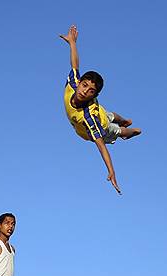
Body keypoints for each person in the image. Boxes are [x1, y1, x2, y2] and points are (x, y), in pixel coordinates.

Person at [59, 25, 142, 195]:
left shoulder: (91, 120)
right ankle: (123, 119)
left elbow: (102, 146)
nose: (84, 91)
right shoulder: (73, 82)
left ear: (93, 96)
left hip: (101, 126)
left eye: (91, 91)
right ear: (80, 82)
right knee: (110, 114)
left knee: (116, 129)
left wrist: (111, 171)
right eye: (84, 85)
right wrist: (72, 43)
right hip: (92, 121)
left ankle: (130, 130)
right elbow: (75, 64)